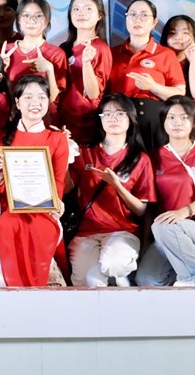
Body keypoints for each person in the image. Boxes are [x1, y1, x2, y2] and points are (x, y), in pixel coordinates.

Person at [0, 75, 69, 287]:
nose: (35, 103)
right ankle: (20, 292)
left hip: (43, 210)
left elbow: (58, 181)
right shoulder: (1, 138)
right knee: (9, 223)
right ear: (17, 102)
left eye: (42, 97)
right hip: (10, 209)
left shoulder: (57, 138)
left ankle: (35, 290)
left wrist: (55, 201)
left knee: (41, 230)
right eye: (28, 97)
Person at [67, 93, 155, 287]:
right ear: (100, 120)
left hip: (122, 231)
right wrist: (65, 158)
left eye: (119, 113)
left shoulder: (140, 159)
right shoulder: (85, 152)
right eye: (107, 114)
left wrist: (117, 185)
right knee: (87, 282)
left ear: (130, 118)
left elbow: (141, 210)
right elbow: (66, 189)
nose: (113, 118)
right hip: (86, 232)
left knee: (114, 265)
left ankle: (116, 277)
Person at [137, 96, 195, 287]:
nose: (177, 122)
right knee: (146, 280)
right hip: (163, 233)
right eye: (171, 117)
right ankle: (186, 271)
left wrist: (183, 212)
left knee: (164, 225)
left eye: (184, 117)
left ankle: (194, 277)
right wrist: (144, 245)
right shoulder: (154, 157)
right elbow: (150, 207)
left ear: (193, 123)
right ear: (163, 122)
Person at [108, 0, 186, 151]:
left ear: (154, 22)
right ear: (126, 19)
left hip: (154, 124)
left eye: (144, 15)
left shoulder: (165, 54)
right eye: (132, 14)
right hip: (119, 122)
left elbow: (180, 93)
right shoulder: (112, 53)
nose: (137, 19)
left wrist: (153, 87)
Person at [58, 0, 113, 148]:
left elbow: (94, 93)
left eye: (88, 8)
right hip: (61, 122)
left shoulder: (100, 48)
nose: (81, 13)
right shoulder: (63, 48)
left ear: (100, 15)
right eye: (76, 9)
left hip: (84, 124)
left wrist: (87, 63)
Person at [3, 0, 68, 117]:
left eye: (38, 16)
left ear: (46, 21)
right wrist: (0, 70)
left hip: (44, 119)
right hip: (12, 119)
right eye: (26, 15)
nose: (31, 21)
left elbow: (54, 98)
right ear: (19, 19)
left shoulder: (56, 53)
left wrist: (49, 69)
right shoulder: (7, 51)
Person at [162, 14, 195, 101]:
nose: (178, 37)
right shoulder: (156, 62)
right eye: (172, 33)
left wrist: (193, 60)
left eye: (185, 32)